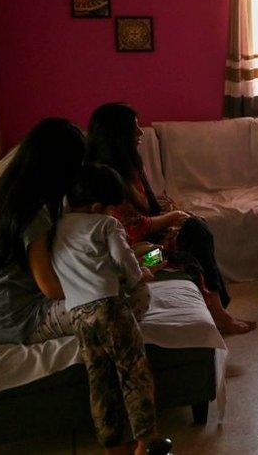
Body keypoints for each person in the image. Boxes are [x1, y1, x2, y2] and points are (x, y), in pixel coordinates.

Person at [86, 102, 255, 335]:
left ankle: (219, 311)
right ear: (118, 136)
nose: (141, 133)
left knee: (196, 229)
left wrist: (173, 213)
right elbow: (133, 229)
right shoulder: (105, 177)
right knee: (189, 249)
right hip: (140, 255)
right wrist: (173, 216)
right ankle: (219, 314)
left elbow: (150, 206)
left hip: (149, 235)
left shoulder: (129, 162)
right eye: (134, 129)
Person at [52, 163, 172, 455]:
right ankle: (146, 442)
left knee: (100, 380)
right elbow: (126, 262)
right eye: (111, 207)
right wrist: (139, 275)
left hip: (79, 314)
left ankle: (113, 445)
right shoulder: (106, 225)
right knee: (134, 373)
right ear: (96, 206)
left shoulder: (57, 228)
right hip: (111, 309)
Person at [0, 118, 85, 344]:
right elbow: (51, 288)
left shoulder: (2, 197)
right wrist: (96, 285)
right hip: (21, 320)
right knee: (114, 304)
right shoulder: (33, 214)